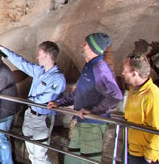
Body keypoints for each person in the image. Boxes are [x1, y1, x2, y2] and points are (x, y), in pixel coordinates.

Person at [48, 33, 122, 163]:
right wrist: (59, 103)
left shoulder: (99, 67)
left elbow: (116, 95)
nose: (82, 45)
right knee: (72, 159)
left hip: (92, 125)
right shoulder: (89, 66)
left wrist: (94, 111)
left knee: (88, 161)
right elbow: (79, 93)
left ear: (93, 47)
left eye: (86, 43)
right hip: (82, 121)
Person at [0, 41, 66, 164]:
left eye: (39, 54)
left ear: (47, 55)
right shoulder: (39, 71)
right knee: (32, 155)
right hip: (30, 115)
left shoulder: (57, 78)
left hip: (42, 118)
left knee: (40, 156)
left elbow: (47, 97)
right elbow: (21, 63)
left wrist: (29, 100)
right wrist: (4, 50)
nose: (37, 57)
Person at [121, 53, 159, 164]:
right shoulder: (133, 91)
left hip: (147, 156)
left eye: (125, 70)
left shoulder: (153, 97)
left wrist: (150, 156)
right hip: (132, 150)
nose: (122, 73)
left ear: (134, 74)